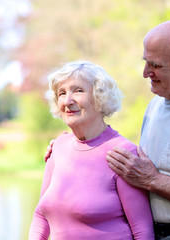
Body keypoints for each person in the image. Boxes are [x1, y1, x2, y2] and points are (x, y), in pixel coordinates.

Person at [45, 20, 170, 240]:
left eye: (156, 65)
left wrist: (154, 180)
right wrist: (74, 146)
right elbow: (137, 161)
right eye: (145, 62)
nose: (146, 72)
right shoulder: (155, 105)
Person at [29, 60, 154, 240]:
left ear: (99, 96)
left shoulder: (123, 152)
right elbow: (41, 215)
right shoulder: (58, 148)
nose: (68, 100)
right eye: (62, 93)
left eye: (78, 90)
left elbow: (143, 232)